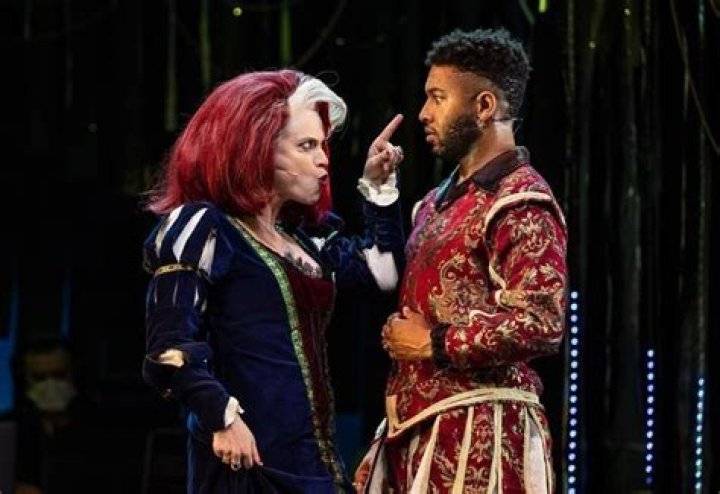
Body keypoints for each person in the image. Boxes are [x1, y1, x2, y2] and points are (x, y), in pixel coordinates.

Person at [141, 69, 405, 493]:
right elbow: (167, 350)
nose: (323, 160)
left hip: (315, 465)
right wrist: (220, 415)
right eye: (306, 146)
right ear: (256, 148)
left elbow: (384, 274)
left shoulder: (305, 239)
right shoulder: (206, 226)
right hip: (247, 460)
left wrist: (379, 188)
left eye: (323, 145)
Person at [354, 28, 568, 493]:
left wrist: (435, 342)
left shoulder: (521, 201)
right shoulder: (436, 202)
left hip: (483, 435)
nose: (423, 113)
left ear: (484, 106)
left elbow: (542, 321)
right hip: (418, 429)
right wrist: (379, 190)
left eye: (437, 98)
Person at [11, 335, 97, 494]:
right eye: (39, 378)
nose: (50, 385)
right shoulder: (9, 431)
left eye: (59, 375)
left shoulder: (102, 433)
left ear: (75, 376)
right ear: (24, 381)